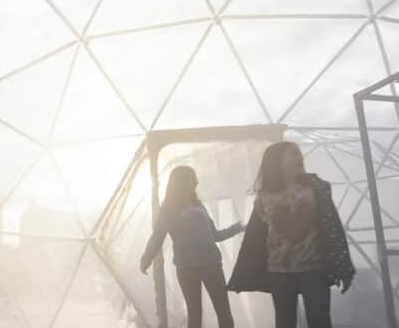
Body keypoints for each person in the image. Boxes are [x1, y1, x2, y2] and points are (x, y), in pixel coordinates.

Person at [228, 141, 355, 328]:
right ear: (277, 161)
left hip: (314, 268)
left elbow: (333, 228)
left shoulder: (317, 189)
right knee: (284, 322)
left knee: (320, 321)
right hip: (279, 271)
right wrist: (243, 274)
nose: (300, 157)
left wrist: (343, 268)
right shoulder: (264, 197)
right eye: (293, 154)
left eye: (300, 153)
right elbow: (254, 239)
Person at [140, 165, 244, 328]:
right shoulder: (167, 209)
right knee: (195, 315)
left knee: (224, 311)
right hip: (186, 269)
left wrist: (236, 228)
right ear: (180, 182)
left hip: (212, 266)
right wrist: (147, 257)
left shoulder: (199, 205)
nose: (196, 182)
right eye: (192, 178)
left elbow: (214, 235)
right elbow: (158, 235)